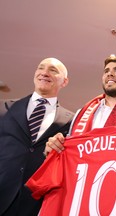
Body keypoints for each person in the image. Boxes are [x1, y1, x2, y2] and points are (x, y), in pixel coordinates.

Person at [44, 55, 116, 155]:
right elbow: (69, 152)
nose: (110, 74)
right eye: (106, 71)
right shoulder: (82, 114)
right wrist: (56, 145)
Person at [0, 57, 74, 215]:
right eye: (41, 68)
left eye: (53, 70)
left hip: (36, 204)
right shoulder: (2, 108)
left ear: (65, 81)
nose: (45, 73)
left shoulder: (72, 121)